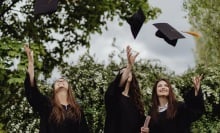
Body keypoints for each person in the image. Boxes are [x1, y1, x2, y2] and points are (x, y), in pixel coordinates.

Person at [24, 45, 89, 133]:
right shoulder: (47, 105)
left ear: (69, 88)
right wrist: (31, 62)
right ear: (53, 89)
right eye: (57, 82)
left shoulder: (77, 111)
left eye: (63, 81)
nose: (60, 82)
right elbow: (32, 92)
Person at [140, 75, 205, 133]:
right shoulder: (152, 112)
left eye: (166, 86)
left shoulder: (179, 107)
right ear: (155, 91)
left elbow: (195, 112)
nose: (163, 87)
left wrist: (196, 91)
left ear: (169, 90)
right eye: (159, 86)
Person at [104, 45, 145, 133]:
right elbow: (118, 85)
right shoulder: (113, 96)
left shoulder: (136, 102)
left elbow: (141, 125)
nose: (126, 73)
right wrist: (129, 65)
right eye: (122, 72)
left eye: (127, 71)